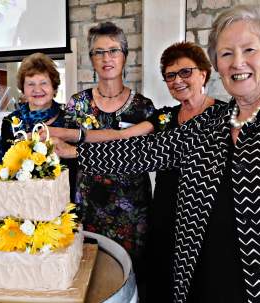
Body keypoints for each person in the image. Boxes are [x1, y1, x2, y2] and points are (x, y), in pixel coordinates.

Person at [53, 5, 260, 303]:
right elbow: (144, 151)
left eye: (249, 50)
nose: (238, 63)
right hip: (200, 276)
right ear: (217, 65)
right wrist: (77, 152)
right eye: (226, 54)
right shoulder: (214, 122)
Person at [47, 21, 155, 290]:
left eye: (113, 50)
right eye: (99, 52)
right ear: (91, 59)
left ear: (125, 56)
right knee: (90, 276)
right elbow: (64, 152)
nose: (107, 58)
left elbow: (140, 154)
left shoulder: (143, 106)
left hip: (131, 210)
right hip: (89, 206)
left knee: (130, 276)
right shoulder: (77, 103)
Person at [145, 41, 225, 302]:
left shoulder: (224, 116)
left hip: (204, 217)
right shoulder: (165, 117)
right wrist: (70, 139)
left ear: (203, 73)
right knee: (162, 279)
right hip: (165, 211)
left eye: (185, 72)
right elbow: (124, 137)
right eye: (170, 75)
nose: (177, 80)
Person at [0, 52, 76, 200]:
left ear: (54, 88)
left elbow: (79, 164)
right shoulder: (11, 122)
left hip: (61, 202)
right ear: (23, 90)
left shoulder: (70, 119)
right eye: (30, 84)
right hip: (20, 203)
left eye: (44, 83)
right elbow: (0, 167)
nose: (37, 90)